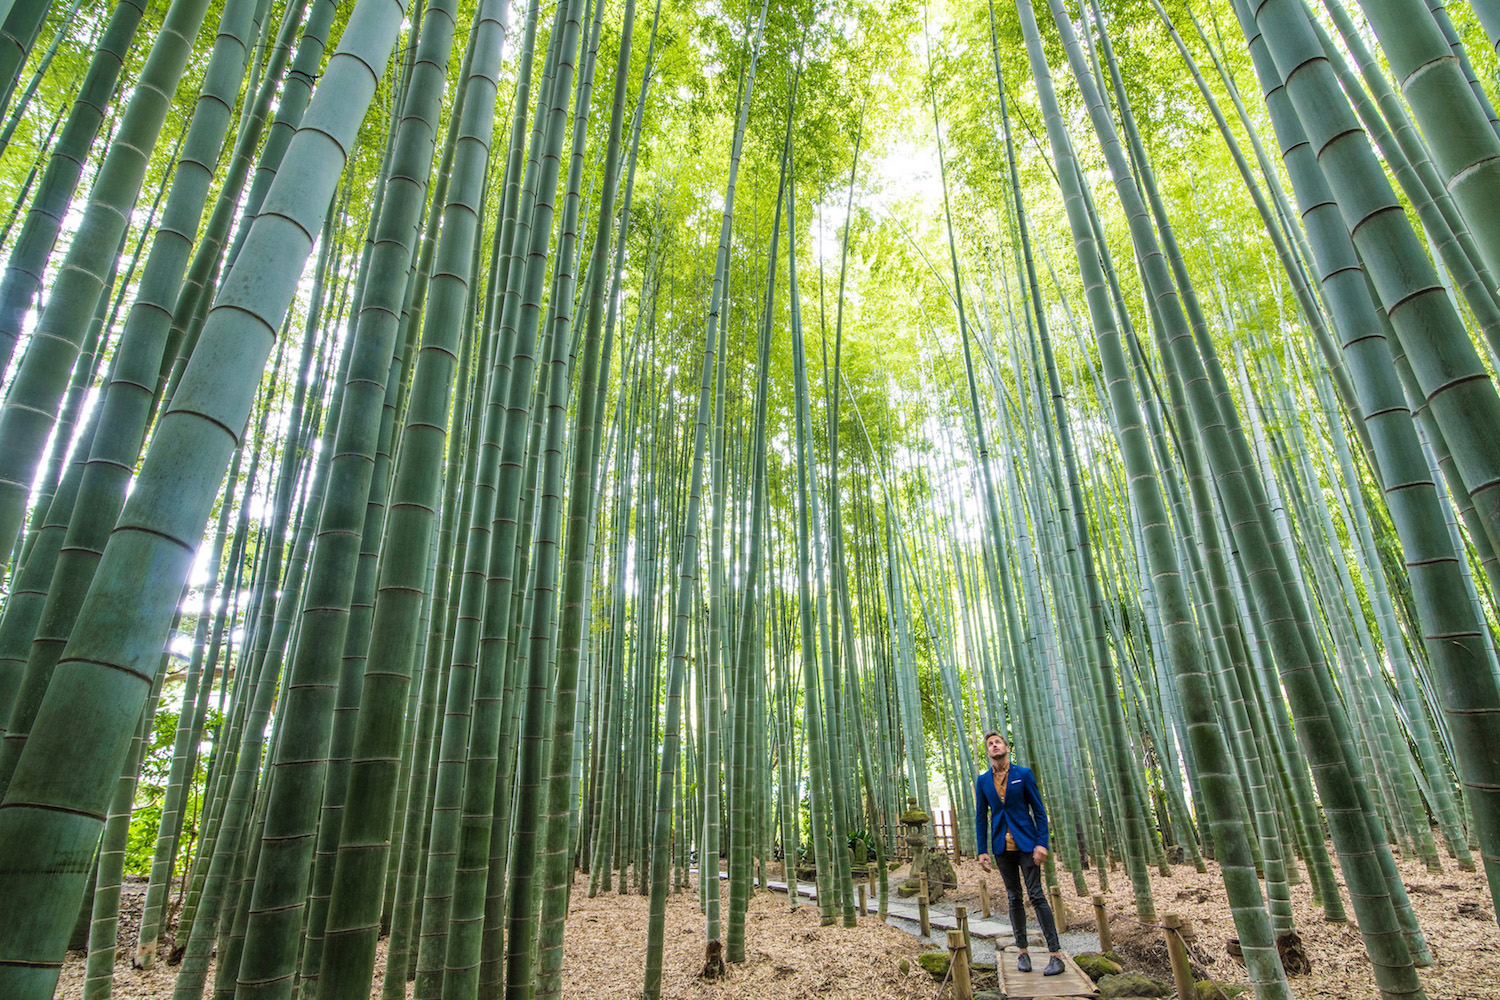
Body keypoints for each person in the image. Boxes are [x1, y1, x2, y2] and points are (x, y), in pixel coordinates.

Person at [975, 731, 1064, 976]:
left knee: (1037, 896)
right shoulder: (983, 781)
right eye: (990, 744)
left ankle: (1055, 955)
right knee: (1014, 898)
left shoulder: (1022, 774)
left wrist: (1042, 843)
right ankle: (1022, 952)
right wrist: (982, 850)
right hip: (1002, 848)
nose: (994, 746)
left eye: (997, 742)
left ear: (1006, 747)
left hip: (1027, 844)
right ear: (988, 751)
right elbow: (981, 817)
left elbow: (1039, 810)